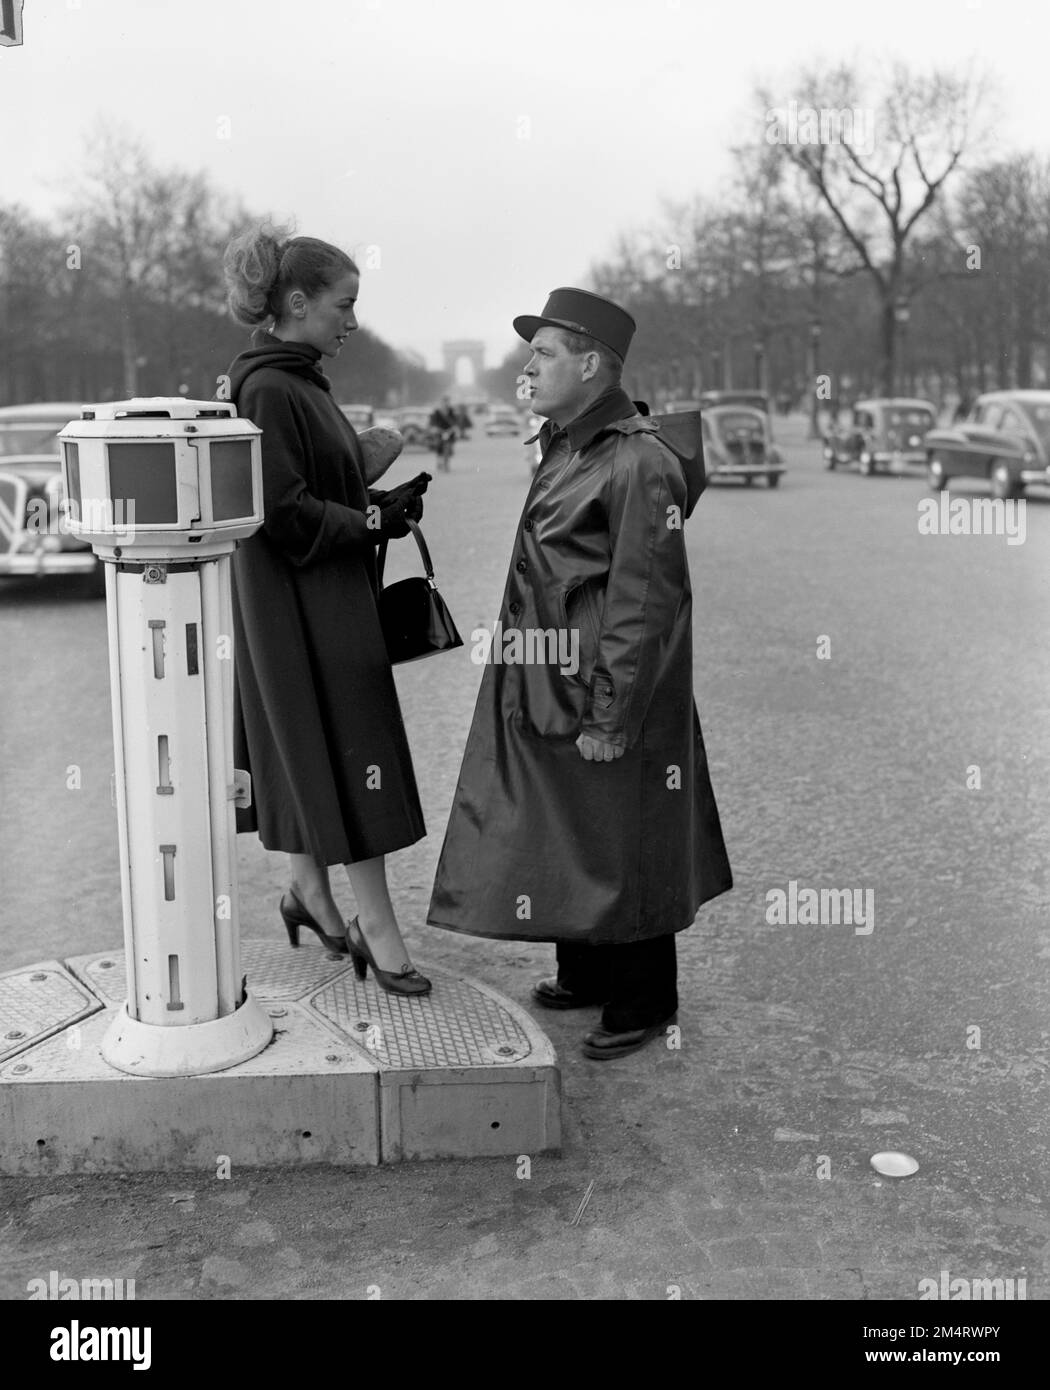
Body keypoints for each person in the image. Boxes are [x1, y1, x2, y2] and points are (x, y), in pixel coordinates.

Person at [427, 287, 732, 1058]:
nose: (528, 364)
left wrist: (610, 713)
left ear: (592, 365)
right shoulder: (568, 444)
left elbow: (640, 604)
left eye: (544, 352)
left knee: (623, 836)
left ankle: (642, 1000)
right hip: (552, 679)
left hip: (604, 689)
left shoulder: (636, 462)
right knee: (568, 828)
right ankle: (588, 969)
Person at [221, 225, 432, 995]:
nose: (351, 320)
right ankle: (377, 929)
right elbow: (286, 514)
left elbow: (309, 498)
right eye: (343, 304)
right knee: (350, 756)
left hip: (299, 601)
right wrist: (371, 521)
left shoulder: (286, 377)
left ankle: (311, 895)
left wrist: (378, 506)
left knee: (304, 752)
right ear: (298, 301)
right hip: (307, 606)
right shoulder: (276, 387)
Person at [429, 395, 458, 470]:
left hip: (449, 431)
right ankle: (439, 461)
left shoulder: (452, 411)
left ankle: (447, 461)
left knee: (449, 446)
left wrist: (453, 428)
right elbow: (433, 422)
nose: (446, 404)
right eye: (444, 402)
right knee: (438, 446)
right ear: (441, 403)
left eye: (447, 402)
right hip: (440, 431)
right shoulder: (437, 412)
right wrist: (435, 428)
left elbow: (455, 421)